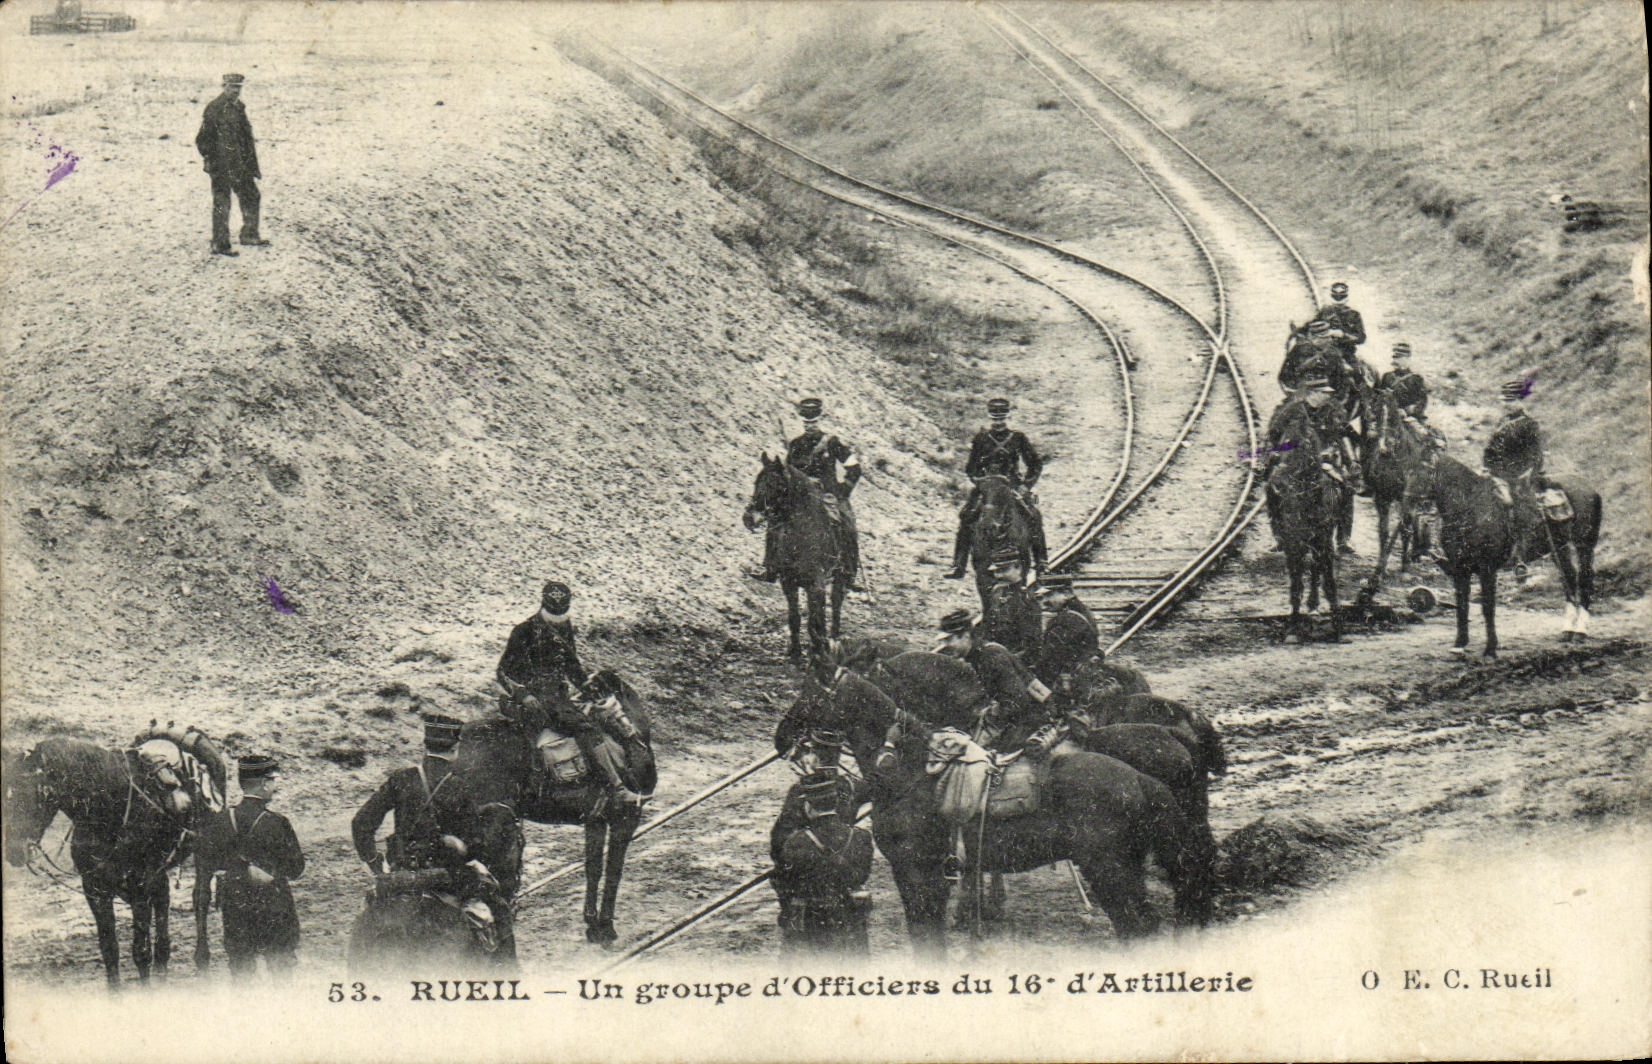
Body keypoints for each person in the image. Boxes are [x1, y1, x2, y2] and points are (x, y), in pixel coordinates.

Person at [496, 581, 643, 807]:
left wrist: (587, 686)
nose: (558, 617)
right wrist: (524, 695)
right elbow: (503, 671)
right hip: (536, 701)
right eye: (554, 613)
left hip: (557, 696)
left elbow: (571, 665)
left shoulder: (564, 625)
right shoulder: (523, 631)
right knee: (587, 728)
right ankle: (617, 788)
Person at [199, 755, 303, 981]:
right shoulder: (277, 822)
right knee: (281, 971)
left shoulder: (222, 820)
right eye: (273, 780)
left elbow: (208, 860)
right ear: (265, 783)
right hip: (275, 908)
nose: (275, 786)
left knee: (242, 973)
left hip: (235, 907)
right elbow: (296, 869)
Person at [769, 730, 872, 957]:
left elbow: (778, 845)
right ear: (839, 753)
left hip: (810, 907)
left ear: (814, 754)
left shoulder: (801, 790)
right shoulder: (850, 787)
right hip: (847, 908)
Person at [756, 398, 863, 587]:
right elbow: (787, 472)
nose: (809, 427)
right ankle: (770, 566)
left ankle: (848, 572)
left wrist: (843, 489)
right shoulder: (796, 444)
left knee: (847, 525)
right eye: (806, 423)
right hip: (800, 497)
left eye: (813, 423)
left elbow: (854, 467)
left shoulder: (832, 443)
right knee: (775, 520)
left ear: (820, 421)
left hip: (826, 495)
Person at [946, 397, 1048, 580]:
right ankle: (958, 564)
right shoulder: (981, 439)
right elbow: (971, 468)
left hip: (1012, 486)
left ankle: (1042, 562)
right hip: (987, 488)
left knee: (1033, 515)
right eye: (995, 418)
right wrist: (981, 482)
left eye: (1001, 417)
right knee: (967, 516)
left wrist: (1026, 486)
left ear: (1007, 417)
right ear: (989, 417)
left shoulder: (1018, 438)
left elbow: (1035, 464)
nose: (998, 421)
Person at [351, 714, 465, 874]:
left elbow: (361, 822)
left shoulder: (401, 778)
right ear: (455, 748)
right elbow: (474, 840)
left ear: (425, 747)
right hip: (447, 876)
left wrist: (373, 861)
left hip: (402, 870)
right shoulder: (460, 784)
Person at [935, 607, 1057, 756]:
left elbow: (1017, 701)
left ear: (966, 636)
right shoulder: (980, 655)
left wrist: (990, 716)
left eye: (949, 639)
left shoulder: (989, 657)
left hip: (1031, 719)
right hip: (1023, 715)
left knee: (978, 756)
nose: (946, 645)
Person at [195, 73, 268, 257]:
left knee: (251, 195)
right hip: (222, 166)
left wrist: (248, 162)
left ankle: (249, 235)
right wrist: (213, 160)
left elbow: (245, 138)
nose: (235, 91)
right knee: (222, 203)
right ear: (224, 86)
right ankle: (220, 244)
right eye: (232, 87)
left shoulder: (239, 107)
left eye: (238, 87)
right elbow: (202, 139)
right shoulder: (214, 108)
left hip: (241, 165)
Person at [1483, 377, 1545, 573]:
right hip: (1497, 474)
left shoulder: (1529, 424)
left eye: (1511, 401)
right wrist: (1486, 466)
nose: (1507, 405)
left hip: (1517, 476)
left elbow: (1535, 455)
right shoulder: (1503, 422)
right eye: (1505, 401)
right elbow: (1492, 449)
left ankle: (1519, 555)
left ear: (1520, 402)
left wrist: (1525, 475)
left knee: (1514, 507)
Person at [983, 548, 1042, 662]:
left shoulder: (1027, 599)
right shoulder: (996, 593)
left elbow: (1032, 647)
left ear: (1018, 568)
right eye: (997, 571)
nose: (999, 575)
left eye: (1004, 570)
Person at [1278, 320, 1348, 396]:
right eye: (1325, 337)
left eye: (1329, 337)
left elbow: (1283, 377)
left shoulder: (1299, 348)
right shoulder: (1300, 350)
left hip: (1310, 395)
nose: (1329, 340)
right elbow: (1285, 376)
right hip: (1306, 395)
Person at [1314, 281, 1366, 362]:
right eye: (1336, 296)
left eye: (1341, 297)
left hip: (1346, 353)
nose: (1338, 301)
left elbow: (1361, 338)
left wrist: (1343, 335)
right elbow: (1313, 328)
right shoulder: (1324, 312)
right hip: (1324, 352)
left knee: (1355, 371)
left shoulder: (1354, 314)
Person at [1378, 342, 1429, 421]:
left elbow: (1422, 401)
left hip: (1409, 417)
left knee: (1420, 431)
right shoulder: (1387, 376)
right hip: (1388, 416)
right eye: (1394, 357)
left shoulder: (1416, 378)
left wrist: (1407, 411)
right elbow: (1379, 397)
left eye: (1399, 357)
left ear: (1407, 359)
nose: (1395, 360)